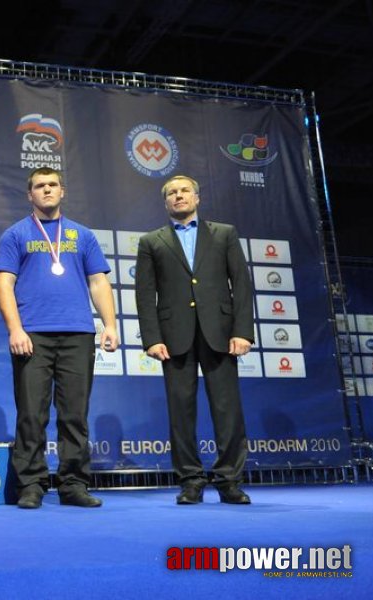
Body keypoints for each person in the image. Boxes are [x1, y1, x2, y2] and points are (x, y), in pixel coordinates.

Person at [0, 166, 119, 509]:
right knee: (31, 414)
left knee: (74, 414)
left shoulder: (83, 235)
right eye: (39, 186)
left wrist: (109, 324)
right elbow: (4, 283)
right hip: (32, 334)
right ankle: (31, 485)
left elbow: (98, 282)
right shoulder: (15, 235)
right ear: (29, 194)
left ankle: (73, 484)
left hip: (78, 333)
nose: (46, 190)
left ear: (62, 191)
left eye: (52, 185)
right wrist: (15, 329)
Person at [134, 174, 254, 505]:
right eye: (172, 193)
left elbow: (241, 285)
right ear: (166, 203)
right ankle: (190, 480)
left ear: (197, 198)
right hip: (174, 337)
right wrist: (151, 338)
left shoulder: (224, 234)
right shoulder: (151, 242)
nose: (179, 196)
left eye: (185, 190)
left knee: (228, 410)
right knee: (180, 412)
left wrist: (243, 330)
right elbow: (145, 295)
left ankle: (229, 479)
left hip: (220, 332)